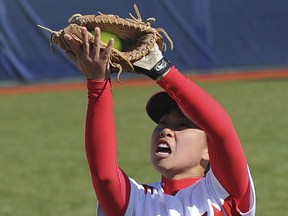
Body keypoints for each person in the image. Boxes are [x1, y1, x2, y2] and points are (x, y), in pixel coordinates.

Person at [64, 27, 256, 216]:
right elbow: (104, 175)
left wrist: (160, 69)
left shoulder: (223, 194)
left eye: (182, 125)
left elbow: (221, 131)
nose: (166, 131)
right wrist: (98, 83)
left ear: (208, 151)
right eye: (162, 123)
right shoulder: (138, 202)